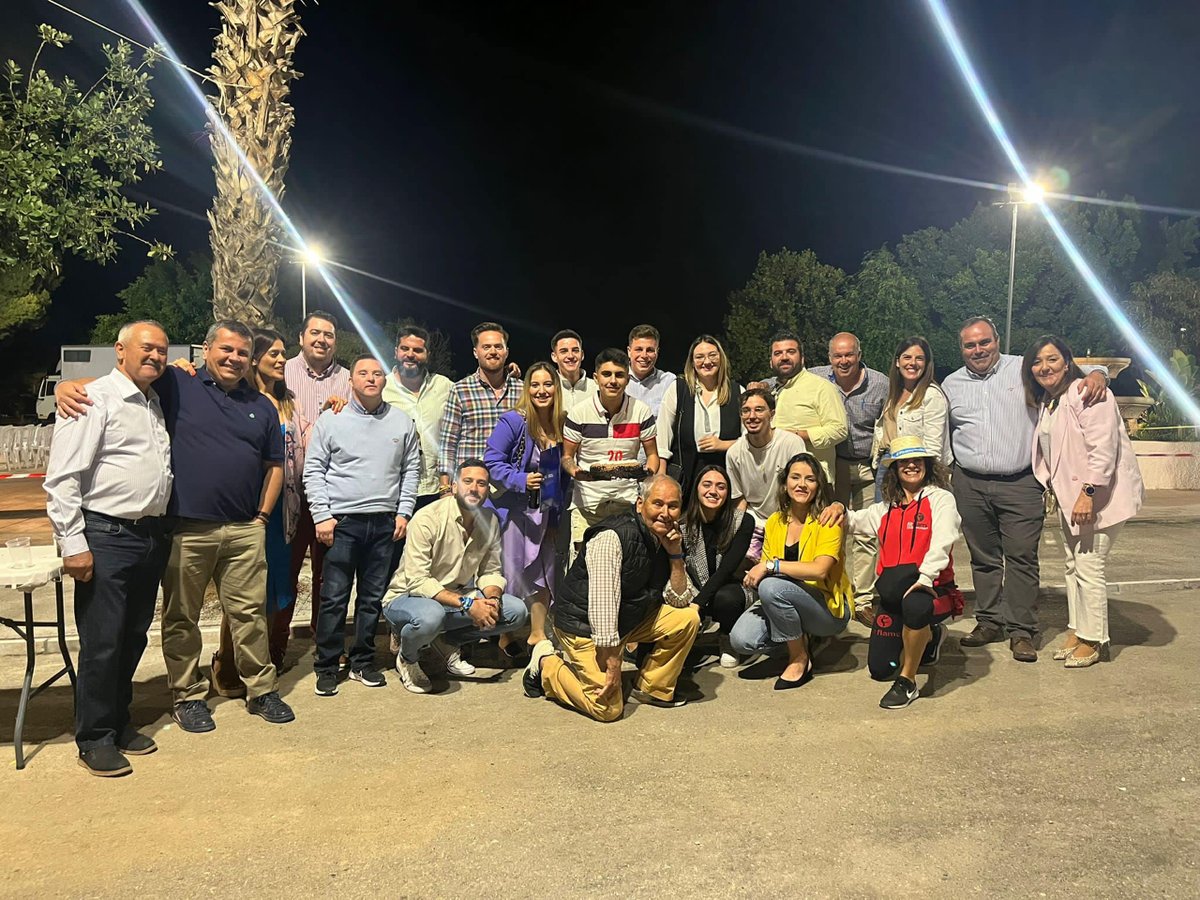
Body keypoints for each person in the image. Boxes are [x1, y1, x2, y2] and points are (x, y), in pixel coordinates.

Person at [57, 320, 296, 732]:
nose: (233, 358)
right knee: (181, 617)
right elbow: (127, 375)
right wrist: (69, 386)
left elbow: (275, 466)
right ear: (207, 349)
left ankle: (262, 690)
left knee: (249, 614)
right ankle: (188, 695)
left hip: (243, 530)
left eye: (242, 352)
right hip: (187, 529)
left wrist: (261, 517)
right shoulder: (178, 383)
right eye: (226, 349)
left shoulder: (260, 406)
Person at [44, 320, 174, 776]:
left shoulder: (153, 401)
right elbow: (61, 478)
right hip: (106, 536)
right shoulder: (93, 398)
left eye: (161, 350)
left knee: (133, 637)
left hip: (148, 538)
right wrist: (73, 544)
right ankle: (94, 738)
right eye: (146, 348)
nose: (155, 356)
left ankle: (118, 722)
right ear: (119, 350)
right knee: (102, 642)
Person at [943, 316, 1107, 662]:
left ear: (997, 340)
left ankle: (1021, 630)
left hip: (1019, 482)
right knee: (984, 558)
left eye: (984, 342)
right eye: (970, 345)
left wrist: (1099, 374)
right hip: (970, 483)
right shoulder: (951, 383)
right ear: (961, 348)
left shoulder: (1023, 369)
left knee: (1021, 558)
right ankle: (989, 621)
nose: (978, 350)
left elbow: (1070, 369)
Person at [522, 474, 701, 721]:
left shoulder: (669, 538)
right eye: (657, 503)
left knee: (688, 617)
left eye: (673, 506)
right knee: (606, 709)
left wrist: (675, 556)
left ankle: (651, 688)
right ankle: (545, 666)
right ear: (640, 504)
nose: (666, 513)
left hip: (628, 618)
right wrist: (613, 660)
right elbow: (602, 606)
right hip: (585, 627)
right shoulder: (612, 537)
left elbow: (680, 600)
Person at [1023, 335, 1144, 668]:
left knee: (1090, 565)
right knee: (1073, 564)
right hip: (1069, 499)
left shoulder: (1087, 392)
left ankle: (1095, 640)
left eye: (1051, 359)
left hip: (1096, 497)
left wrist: (1088, 493)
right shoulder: (1052, 399)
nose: (1044, 367)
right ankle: (1078, 629)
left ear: (1067, 361)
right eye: (1037, 361)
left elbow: (1103, 448)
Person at [305, 356, 421, 696]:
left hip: (385, 524)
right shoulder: (331, 420)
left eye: (376, 373)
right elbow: (314, 470)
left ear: (385, 380)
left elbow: (410, 469)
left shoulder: (401, 422)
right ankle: (327, 665)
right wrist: (322, 516)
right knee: (334, 598)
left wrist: (403, 513)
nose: (371, 378)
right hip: (342, 523)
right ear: (351, 381)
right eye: (362, 373)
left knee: (371, 600)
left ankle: (362, 662)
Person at [833, 436, 965, 709]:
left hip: (931, 589)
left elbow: (944, 540)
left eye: (917, 460)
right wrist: (838, 509)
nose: (911, 466)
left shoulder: (941, 500)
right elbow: (854, 521)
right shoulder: (886, 508)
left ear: (927, 465)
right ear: (894, 469)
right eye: (904, 462)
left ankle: (908, 681)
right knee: (880, 669)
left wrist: (925, 578)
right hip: (894, 595)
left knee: (916, 607)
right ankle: (932, 635)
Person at [210, 329, 306, 693]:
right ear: (255, 359)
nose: (282, 360)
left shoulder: (287, 402)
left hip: (283, 509)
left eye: (283, 354)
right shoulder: (242, 398)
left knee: (273, 591)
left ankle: (257, 661)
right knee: (241, 593)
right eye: (274, 354)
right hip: (249, 507)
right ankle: (226, 662)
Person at [382, 459, 529, 694]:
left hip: (454, 597)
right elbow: (418, 580)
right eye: (467, 481)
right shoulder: (427, 518)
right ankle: (407, 657)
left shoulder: (489, 521)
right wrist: (469, 604)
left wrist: (492, 599)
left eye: (481, 483)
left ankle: (446, 644)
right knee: (431, 616)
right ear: (453, 486)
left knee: (515, 611)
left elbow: (490, 571)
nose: (474, 488)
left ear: (488, 490)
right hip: (408, 597)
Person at [731, 452, 852, 690]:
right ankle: (799, 639)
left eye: (810, 479)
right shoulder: (775, 521)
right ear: (785, 483)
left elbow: (819, 571)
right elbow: (765, 568)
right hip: (782, 595)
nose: (802, 484)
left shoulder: (828, 519)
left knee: (770, 586)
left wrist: (771, 566)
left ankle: (799, 658)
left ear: (818, 485)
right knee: (741, 641)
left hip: (826, 607)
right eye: (795, 477)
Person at [275, 311, 350, 663]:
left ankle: (327, 646)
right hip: (286, 492)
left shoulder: (348, 380)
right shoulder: (281, 371)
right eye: (315, 333)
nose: (322, 339)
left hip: (333, 495)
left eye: (329, 334)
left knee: (329, 578)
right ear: (301, 337)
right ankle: (276, 647)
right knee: (284, 573)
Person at [483, 362, 569, 656]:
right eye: (535, 384)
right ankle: (504, 635)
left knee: (545, 572)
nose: (541, 390)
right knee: (514, 572)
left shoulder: (563, 423)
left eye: (548, 384)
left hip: (548, 511)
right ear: (526, 388)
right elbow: (492, 462)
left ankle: (535, 634)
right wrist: (521, 479)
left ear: (556, 388)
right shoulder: (514, 421)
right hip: (518, 513)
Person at [809, 332, 888, 627]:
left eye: (849, 355)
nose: (844, 361)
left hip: (869, 465)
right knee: (832, 532)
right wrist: (760, 385)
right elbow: (783, 381)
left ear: (859, 354)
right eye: (838, 356)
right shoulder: (817, 378)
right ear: (829, 358)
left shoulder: (880, 383)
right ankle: (836, 595)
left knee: (867, 534)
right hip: (834, 466)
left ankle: (864, 600)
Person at [562, 348, 659, 554]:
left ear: (628, 379)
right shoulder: (579, 412)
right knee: (582, 569)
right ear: (596, 378)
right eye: (607, 374)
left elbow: (652, 455)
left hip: (626, 502)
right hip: (588, 503)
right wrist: (577, 473)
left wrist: (646, 473)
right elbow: (567, 458)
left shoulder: (641, 411)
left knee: (627, 565)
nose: (613, 381)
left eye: (619, 375)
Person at [680, 465, 754, 667]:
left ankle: (727, 635)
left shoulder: (743, 521)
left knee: (725, 598)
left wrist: (697, 603)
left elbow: (727, 569)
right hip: (694, 589)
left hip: (731, 589)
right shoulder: (683, 524)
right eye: (707, 485)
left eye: (721, 486)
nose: (713, 491)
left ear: (728, 493)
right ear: (697, 489)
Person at [381, 323, 453, 529]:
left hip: (435, 490)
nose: (410, 354)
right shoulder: (382, 389)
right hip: (395, 491)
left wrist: (508, 376)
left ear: (427, 355)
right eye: (405, 349)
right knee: (395, 559)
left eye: (418, 350)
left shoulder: (445, 387)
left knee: (434, 557)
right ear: (396, 352)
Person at [437, 321, 522, 491]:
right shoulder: (460, 390)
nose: (492, 352)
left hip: (511, 486)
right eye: (486, 347)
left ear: (506, 352)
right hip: (470, 487)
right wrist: (445, 489)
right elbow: (448, 443)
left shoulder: (522, 390)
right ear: (476, 352)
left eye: (498, 347)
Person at [656, 335, 742, 500]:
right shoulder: (678, 389)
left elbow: (751, 441)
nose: (707, 361)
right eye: (700, 357)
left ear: (721, 357)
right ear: (692, 362)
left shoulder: (737, 392)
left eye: (712, 355)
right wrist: (661, 474)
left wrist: (724, 444)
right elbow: (663, 433)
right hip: (685, 476)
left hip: (725, 477)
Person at [726, 388, 807, 560]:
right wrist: (736, 533)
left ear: (772, 414)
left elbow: (802, 488)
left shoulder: (791, 443)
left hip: (789, 518)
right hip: (755, 520)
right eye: (746, 411)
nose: (752, 416)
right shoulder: (734, 453)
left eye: (759, 410)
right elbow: (739, 499)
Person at [766, 333, 849, 488]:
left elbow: (840, 430)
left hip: (813, 482)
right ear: (771, 362)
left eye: (791, 352)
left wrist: (797, 435)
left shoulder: (821, 388)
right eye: (778, 353)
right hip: (778, 483)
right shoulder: (771, 391)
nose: (784, 357)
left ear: (802, 358)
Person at [871, 336, 950, 499]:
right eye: (907, 357)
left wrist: (926, 483)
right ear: (897, 362)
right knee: (885, 520)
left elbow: (934, 447)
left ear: (926, 364)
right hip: (888, 464)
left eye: (919, 358)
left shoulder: (931, 395)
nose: (912, 363)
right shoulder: (895, 392)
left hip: (914, 470)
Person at [624, 324, 675, 416]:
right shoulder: (617, 379)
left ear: (657, 352)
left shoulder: (668, 381)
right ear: (629, 351)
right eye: (639, 349)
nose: (644, 355)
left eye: (650, 350)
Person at [550, 329, 596, 413]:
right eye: (564, 351)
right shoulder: (548, 388)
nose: (570, 356)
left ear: (582, 355)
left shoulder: (596, 388)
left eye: (575, 350)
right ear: (554, 357)